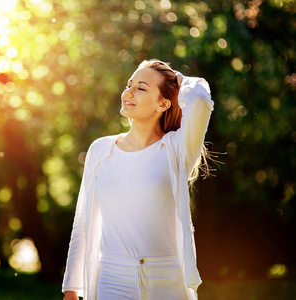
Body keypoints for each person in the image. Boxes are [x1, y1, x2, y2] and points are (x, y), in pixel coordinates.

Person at [61, 59, 214, 300]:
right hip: (111, 280)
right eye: (129, 85)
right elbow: (83, 221)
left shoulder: (177, 149)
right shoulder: (100, 150)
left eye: (141, 88)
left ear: (163, 103)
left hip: (168, 281)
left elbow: (201, 100)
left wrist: (176, 79)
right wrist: (71, 289)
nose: (128, 92)